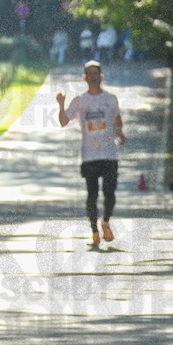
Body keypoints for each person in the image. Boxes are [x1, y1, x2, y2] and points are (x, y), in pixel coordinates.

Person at [56, 61, 126, 247]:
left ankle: (106, 221)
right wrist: (62, 105)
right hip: (90, 156)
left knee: (110, 193)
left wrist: (119, 132)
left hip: (110, 154)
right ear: (85, 78)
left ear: (101, 77)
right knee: (92, 195)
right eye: (89, 74)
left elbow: (117, 120)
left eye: (96, 73)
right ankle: (94, 231)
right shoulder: (79, 101)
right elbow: (64, 122)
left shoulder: (111, 99)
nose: (93, 76)